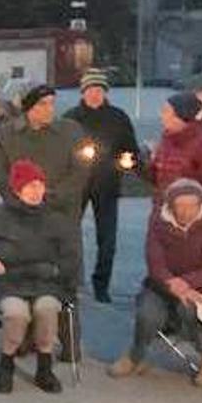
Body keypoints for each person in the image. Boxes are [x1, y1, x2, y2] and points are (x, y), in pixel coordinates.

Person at [0, 84, 88, 360]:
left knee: (65, 279)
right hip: (21, 217)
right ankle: (25, 338)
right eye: (42, 105)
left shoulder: (70, 131)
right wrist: (20, 199)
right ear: (29, 108)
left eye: (51, 104)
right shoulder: (8, 134)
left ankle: (70, 343)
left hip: (61, 216)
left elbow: (81, 171)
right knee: (24, 275)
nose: (48, 110)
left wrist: (51, 195)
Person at [0, 159, 80, 395]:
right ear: (17, 189)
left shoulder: (55, 218)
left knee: (46, 309)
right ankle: (6, 364)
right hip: (8, 281)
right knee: (17, 314)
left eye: (39, 186)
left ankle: (44, 367)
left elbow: (70, 255)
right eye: (29, 187)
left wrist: (60, 272)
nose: (35, 192)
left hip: (46, 281)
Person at [109, 178, 202, 386]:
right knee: (147, 313)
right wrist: (172, 283)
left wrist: (186, 283)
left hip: (199, 288)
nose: (186, 211)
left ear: (200, 205)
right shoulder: (158, 223)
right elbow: (155, 262)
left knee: (193, 310)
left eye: (192, 205)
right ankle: (135, 356)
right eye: (180, 205)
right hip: (161, 287)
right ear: (171, 205)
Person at [63, 69, 139, 303]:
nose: (95, 95)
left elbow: (131, 149)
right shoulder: (71, 118)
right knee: (68, 234)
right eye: (91, 90)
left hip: (107, 184)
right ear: (83, 92)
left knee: (107, 240)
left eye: (99, 90)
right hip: (78, 185)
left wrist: (128, 159)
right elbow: (62, 151)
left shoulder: (118, 117)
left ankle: (101, 284)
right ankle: (70, 281)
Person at [146, 92, 202, 203]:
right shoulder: (166, 139)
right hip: (162, 209)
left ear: (181, 115)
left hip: (189, 212)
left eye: (166, 111)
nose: (162, 115)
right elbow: (155, 177)